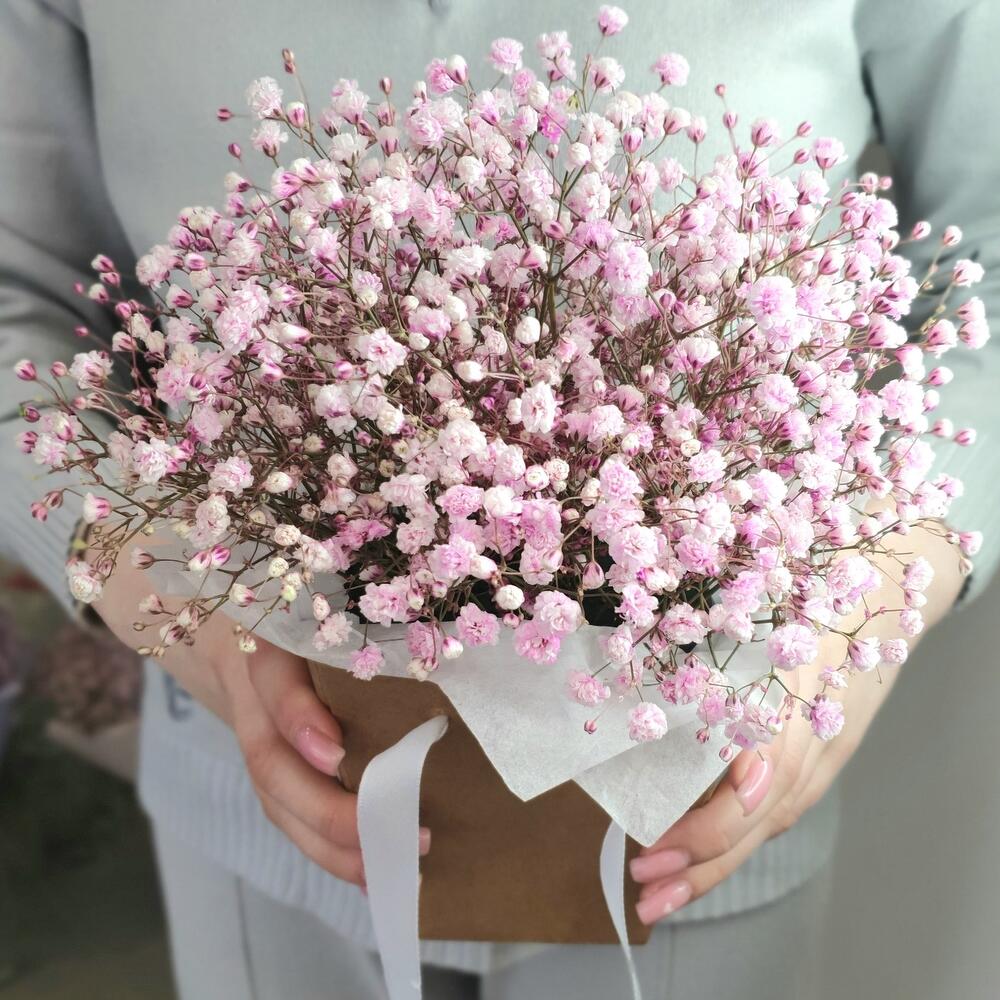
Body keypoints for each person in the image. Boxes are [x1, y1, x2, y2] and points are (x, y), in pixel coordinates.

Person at [1, 1, 997, 997]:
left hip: (695, 797)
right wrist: (186, 612)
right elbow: (17, 295)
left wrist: (869, 608)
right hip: (261, 804)